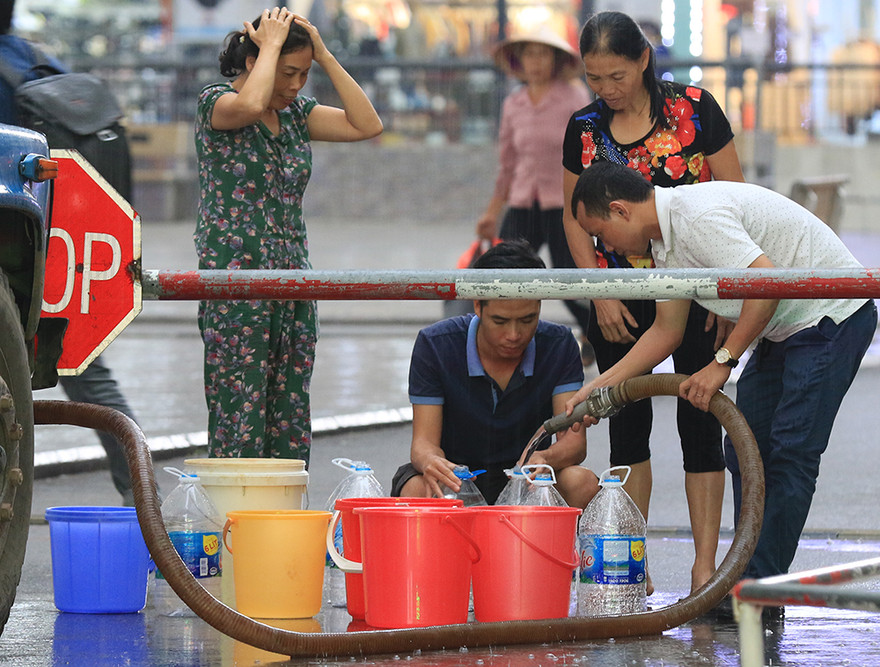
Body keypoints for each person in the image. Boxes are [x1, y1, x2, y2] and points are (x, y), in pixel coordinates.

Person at [568, 162, 877, 613]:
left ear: (620, 210)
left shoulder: (694, 218)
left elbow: (765, 282)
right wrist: (597, 389)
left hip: (830, 316)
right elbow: (666, 332)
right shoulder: (665, 244)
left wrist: (723, 361)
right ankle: (749, 585)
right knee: (745, 448)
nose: (605, 247)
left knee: (790, 452)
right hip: (785, 326)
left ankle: (757, 591)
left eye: (601, 234)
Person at [560, 10, 745, 593]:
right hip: (621, 296)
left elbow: (734, 198)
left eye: (616, 75)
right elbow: (575, 219)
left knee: (700, 420)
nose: (606, 90)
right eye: (594, 78)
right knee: (626, 426)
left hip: (699, 290)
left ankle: (703, 567)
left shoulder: (695, 109)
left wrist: (728, 297)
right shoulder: (584, 127)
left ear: (643, 60)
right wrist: (600, 292)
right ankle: (630, 565)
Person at [194, 7, 382, 462]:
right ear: (256, 61)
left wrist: (326, 56)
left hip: (293, 279)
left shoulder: (298, 115)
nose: (297, 85)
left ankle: (285, 504)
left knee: (290, 417)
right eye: (288, 73)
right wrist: (272, 45)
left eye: (304, 74)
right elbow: (249, 106)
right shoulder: (216, 103)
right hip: (238, 285)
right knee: (240, 413)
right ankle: (236, 505)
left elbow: (367, 125)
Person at [0, 2, 139, 505]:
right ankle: (141, 496)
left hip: (14, 257)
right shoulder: (34, 58)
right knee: (86, 373)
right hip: (65, 243)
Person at [390, 240, 599, 507]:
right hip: (457, 479)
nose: (514, 335)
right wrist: (433, 462)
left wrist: (545, 458)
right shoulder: (435, 345)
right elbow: (423, 443)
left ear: (539, 306)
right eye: (500, 321)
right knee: (416, 488)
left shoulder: (559, 344)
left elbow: (573, 443)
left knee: (581, 482)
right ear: (477, 306)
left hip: (527, 478)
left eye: (527, 320)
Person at [476, 25, 594, 365]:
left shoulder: (573, 97)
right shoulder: (514, 104)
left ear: (556, 60)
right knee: (503, 271)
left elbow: (590, 152)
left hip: (565, 205)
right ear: (519, 60)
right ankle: (499, 339)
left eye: (543, 54)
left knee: (570, 280)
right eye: (529, 54)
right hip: (523, 201)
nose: (536, 61)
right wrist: (491, 213)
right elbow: (507, 163)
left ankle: (595, 331)